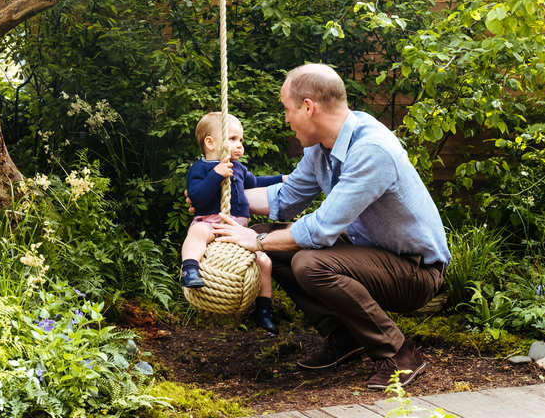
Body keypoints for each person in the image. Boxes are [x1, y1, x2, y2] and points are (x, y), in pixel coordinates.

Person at [211, 63, 451, 389]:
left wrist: (257, 242)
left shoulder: (372, 150)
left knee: (308, 262)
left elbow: (322, 228)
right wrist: (216, 198)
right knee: (272, 240)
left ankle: (400, 353)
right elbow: (286, 197)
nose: (286, 119)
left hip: (415, 271)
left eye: (287, 109)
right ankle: (345, 335)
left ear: (308, 107)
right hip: (369, 256)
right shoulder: (320, 148)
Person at [181, 111, 284, 334]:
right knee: (197, 231)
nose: (240, 145)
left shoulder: (238, 168)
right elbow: (197, 198)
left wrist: (281, 178)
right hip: (211, 223)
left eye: (241, 140)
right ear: (210, 143)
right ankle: (189, 269)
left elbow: (255, 182)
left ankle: (264, 309)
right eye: (233, 139)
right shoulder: (200, 169)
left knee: (264, 262)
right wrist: (216, 174)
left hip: (238, 230)